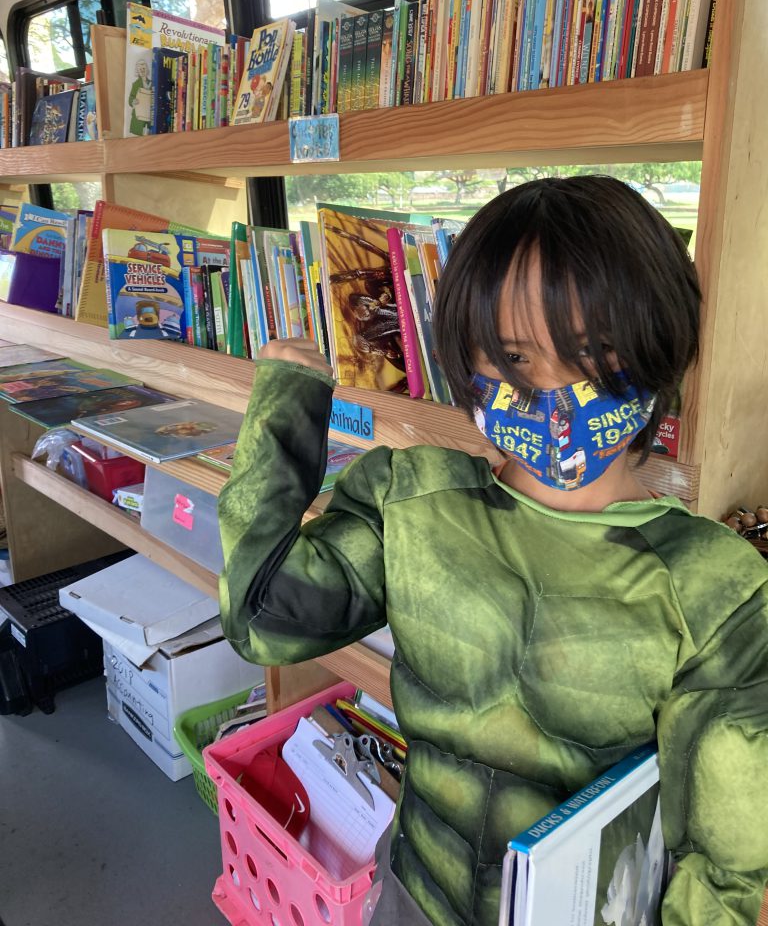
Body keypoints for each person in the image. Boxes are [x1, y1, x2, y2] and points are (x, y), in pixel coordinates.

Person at [217, 176, 768, 926]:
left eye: (597, 353)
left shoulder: (715, 587)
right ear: (468, 363)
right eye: (515, 359)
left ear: (658, 344)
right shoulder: (409, 501)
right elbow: (263, 619)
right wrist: (286, 403)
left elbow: (727, 863)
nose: (557, 392)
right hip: (415, 894)